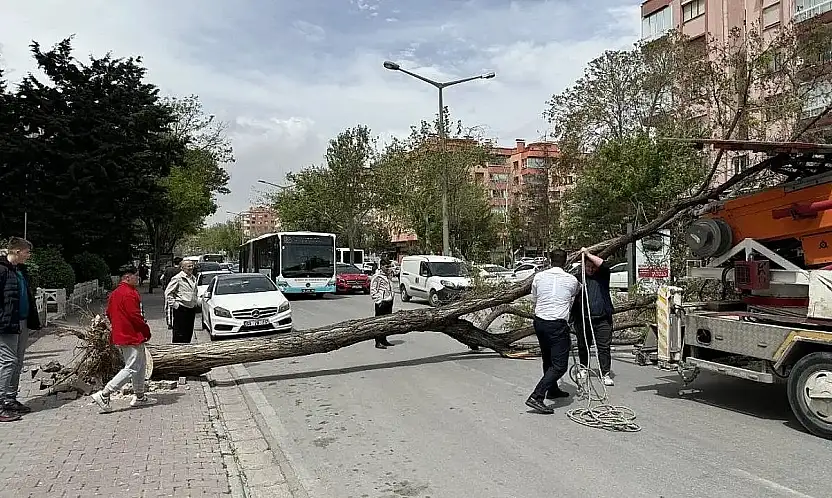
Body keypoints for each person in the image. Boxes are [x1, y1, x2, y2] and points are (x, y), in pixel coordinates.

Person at [91, 267, 155, 412]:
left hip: (122, 334)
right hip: (131, 334)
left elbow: (108, 313)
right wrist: (145, 330)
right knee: (132, 367)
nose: (138, 278)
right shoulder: (129, 293)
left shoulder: (115, 293)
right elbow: (135, 316)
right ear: (127, 277)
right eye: (136, 276)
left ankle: (139, 396)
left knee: (140, 365)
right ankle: (105, 394)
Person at [525, 249, 581, 415]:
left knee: (548, 358)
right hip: (557, 324)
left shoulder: (539, 277)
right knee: (559, 365)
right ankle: (537, 396)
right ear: (566, 261)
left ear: (550, 260)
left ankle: (553, 389)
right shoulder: (572, 280)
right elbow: (577, 292)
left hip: (540, 322)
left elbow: (534, 297)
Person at [0, 237, 41, 421]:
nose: (29, 255)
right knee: (8, 361)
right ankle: (1, 403)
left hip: (21, 322)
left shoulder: (19, 271)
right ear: (17, 251)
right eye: (27, 252)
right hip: (6, 324)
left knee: (17, 361)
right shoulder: (2, 270)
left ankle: (10, 398)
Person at [571, 248, 615, 387]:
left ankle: (605, 373)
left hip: (602, 319)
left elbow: (604, 265)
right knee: (583, 346)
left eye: (592, 267)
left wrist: (588, 254)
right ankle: (584, 368)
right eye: (587, 266)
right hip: (582, 319)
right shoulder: (577, 278)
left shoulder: (602, 276)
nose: (590, 269)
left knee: (604, 347)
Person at [164, 259, 198, 344]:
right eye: (189, 266)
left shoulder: (193, 278)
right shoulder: (178, 278)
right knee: (179, 335)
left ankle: (186, 352)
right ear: (182, 268)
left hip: (191, 309)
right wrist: (176, 305)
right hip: (181, 309)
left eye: (192, 265)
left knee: (188, 334)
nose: (191, 267)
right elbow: (168, 293)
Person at [370, 257, 395, 349]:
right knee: (379, 323)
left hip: (389, 301)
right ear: (382, 266)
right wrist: (379, 301)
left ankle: (384, 339)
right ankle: (378, 342)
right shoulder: (377, 276)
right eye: (386, 266)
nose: (388, 268)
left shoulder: (388, 275)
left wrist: (391, 297)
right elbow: (373, 290)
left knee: (386, 323)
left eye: (389, 266)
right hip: (382, 302)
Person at [162, 257, 183, 330]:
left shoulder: (168, 270)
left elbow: (161, 278)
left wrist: (164, 286)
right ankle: (178, 322)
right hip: (178, 291)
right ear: (180, 263)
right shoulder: (181, 271)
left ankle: (169, 323)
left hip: (169, 290)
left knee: (168, 307)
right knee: (178, 306)